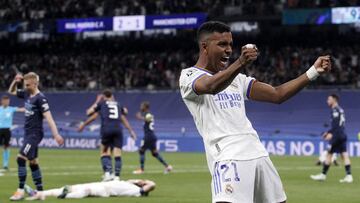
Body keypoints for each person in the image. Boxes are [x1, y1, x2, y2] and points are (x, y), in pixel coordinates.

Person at [179, 21, 331, 203]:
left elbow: (277, 94)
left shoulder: (238, 80)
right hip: (229, 157)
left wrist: (313, 71)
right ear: (204, 46)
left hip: (258, 154)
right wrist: (241, 62)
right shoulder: (188, 76)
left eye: (230, 44)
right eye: (222, 44)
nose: (228, 49)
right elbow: (210, 86)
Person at [7, 72, 64, 201]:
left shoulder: (40, 98)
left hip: (35, 134)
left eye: (27, 84)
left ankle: (20, 191)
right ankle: (40, 193)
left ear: (34, 83)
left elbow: (49, 117)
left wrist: (56, 134)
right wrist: (16, 81)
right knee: (33, 162)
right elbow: (11, 91)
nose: (25, 86)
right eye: (24, 84)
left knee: (20, 158)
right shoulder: (27, 94)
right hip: (28, 133)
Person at [78, 90, 137, 181]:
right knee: (117, 153)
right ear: (112, 96)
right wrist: (131, 131)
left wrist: (97, 101)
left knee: (104, 152)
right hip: (118, 130)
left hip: (107, 129)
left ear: (103, 97)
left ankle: (107, 174)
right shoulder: (118, 104)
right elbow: (125, 113)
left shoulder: (102, 104)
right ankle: (116, 176)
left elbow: (89, 113)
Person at [310, 94, 353, 183]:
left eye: (329, 99)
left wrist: (329, 133)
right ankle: (349, 176)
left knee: (329, 154)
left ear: (334, 100)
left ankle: (323, 175)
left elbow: (336, 125)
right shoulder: (340, 109)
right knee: (344, 154)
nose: (327, 101)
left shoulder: (335, 110)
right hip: (343, 134)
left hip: (337, 135)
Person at [133, 101, 172, 174]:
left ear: (145, 107)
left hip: (148, 136)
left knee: (141, 151)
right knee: (154, 153)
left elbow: (148, 119)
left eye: (142, 106)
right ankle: (167, 166)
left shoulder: (148, 114)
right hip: (152, 136)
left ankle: (141, 170)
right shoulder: (147, 114)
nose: (141, 107)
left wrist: (140, 118)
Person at [24, 179, 156, 200]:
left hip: (105, 191)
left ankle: (66, 196)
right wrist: (138, 181)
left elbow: (153, 185)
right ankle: (39, 193)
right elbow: (131, 180)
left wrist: (145, 182)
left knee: (85, 191)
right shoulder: (128, 183)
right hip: (100, 184)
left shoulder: (136, 192)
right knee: (69, 187)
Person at [0, 95, 25, 172]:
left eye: (8, 101)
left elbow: (22, 109)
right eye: (5, 100)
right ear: (2, 101)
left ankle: (5, 164)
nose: (7, 102)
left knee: (6, 147)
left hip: (7, 130)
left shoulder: (11, 109)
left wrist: (29, 105)